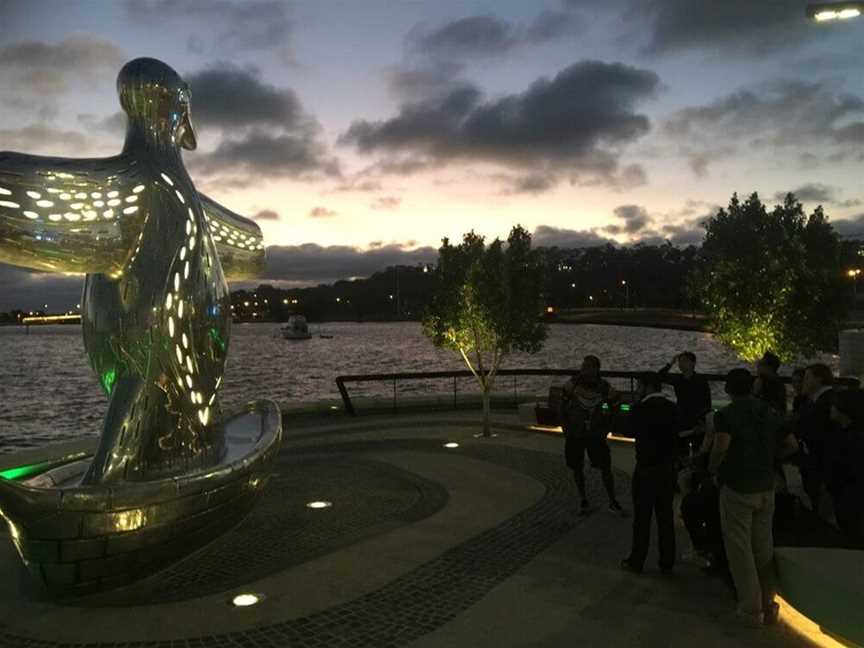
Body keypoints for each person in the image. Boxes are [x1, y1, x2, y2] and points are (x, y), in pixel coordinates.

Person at [709, 369, 797, 627]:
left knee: (740, 548)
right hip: (766, 485)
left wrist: (714, 468)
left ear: (728, 389)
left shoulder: (726, 415)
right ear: (752, 386)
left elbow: (721, 446)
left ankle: (751, 608)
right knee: (763, 547)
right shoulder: (770, 412)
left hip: (738, 486)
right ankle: (770, 603)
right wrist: (770, 459)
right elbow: (791, 444)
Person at [621, 372, 679, 574]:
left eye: (639, 386)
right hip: (667, 468)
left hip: (646, 467)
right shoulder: (672, 408)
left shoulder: (641, 409)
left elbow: (626, 431)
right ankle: (667, 561)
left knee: (642, 518)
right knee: (665, 516)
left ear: (646, 387)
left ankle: (637, 559)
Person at [559, 355, 625, 516]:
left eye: (588, 366)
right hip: (575, 434)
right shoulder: (571, 385)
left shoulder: (604, 387)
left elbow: (617, 406)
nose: (584, 369)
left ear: (596, 369)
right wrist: (566, 428)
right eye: (583, 365)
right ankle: (583, 499)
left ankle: (612, 500)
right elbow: (561, 407)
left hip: (596, 436)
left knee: (605, 468)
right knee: (577, 467)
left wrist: (606, 428)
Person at [796, 363, 835, 517]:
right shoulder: (815, 401)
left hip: (822, 461)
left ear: (818, 379)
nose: (803, 381)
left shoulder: (826, 402)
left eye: (807, 377)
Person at [827, 390, 864, 543]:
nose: (831, 408)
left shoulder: (850, 438)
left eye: (834, 405)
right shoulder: (847, 434)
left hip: (850, 498)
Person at [658, 352, 712, 451]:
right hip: (682, 418)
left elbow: (707, 402)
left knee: (698, 449)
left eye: (684, 361)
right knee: (681, 449)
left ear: (693, 363)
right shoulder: (678, 379)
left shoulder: (701, 381)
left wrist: (702, 422)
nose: (681, 364)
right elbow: (660, 376)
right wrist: (670, 363)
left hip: (696, 420)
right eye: (680, 361)